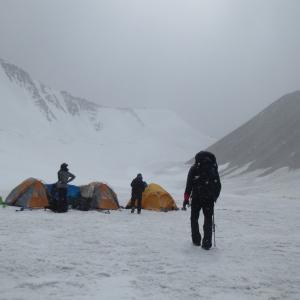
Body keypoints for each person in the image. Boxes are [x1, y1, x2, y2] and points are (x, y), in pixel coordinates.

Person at [183, 151, 221, 249]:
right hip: (209, 199)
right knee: (208, 219)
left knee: (194, 218)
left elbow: (188, 185)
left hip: (196, 197)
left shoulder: (194, 168)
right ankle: (207, 243)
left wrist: (186, 199)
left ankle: (196, 240)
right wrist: (214, 197)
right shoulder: (213, 168)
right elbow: (218, 185)